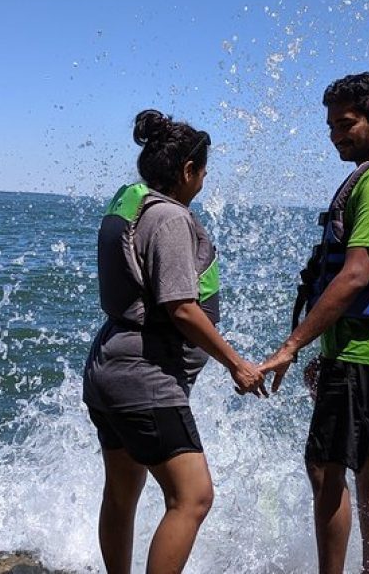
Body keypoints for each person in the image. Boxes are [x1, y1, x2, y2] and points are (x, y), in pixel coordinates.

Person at [260, 72, 369, 574]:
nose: (336, 134)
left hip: (365, 354)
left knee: (325, 466)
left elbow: (357, 273)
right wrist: (326, 351)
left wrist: (292, 345)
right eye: (331, 125)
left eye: (347, 123)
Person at [83, 109, 266, 574]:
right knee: (193, 496)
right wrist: (237, 364)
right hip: (144, 378)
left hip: (109, 367)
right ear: (188, 171)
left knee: (122, 493)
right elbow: (181, 306)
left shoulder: (134, 206)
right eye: (203, 171)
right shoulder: (169, 219)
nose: (204, 180)